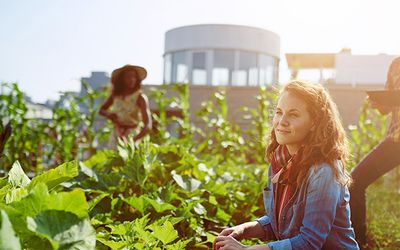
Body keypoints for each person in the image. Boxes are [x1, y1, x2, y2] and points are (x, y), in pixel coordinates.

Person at [214, 80, 359, 250]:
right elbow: (281, 223)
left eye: (293, 114)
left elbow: (309, 243)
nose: (281, 121)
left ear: (314, 123)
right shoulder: (280, 163)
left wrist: (245, 249)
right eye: (279, 112)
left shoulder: (324, 171)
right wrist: (242, 229)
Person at [349, 57, 400, 248]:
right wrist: (379, 102)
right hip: (396, 139)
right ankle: (358, 241)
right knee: (355, 181)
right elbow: (388, 108)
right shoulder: (396, 65)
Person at [99, 64, 152, 144]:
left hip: (133, 135)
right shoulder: (115, 96)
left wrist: (134, 140)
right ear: (121, 79)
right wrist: (110, 115)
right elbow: (101, 110)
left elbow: (148, 125)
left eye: (134, 77)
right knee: (113, 155)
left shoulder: (140, 98)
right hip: (116, 133)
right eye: (128, 77)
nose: (131, 79)